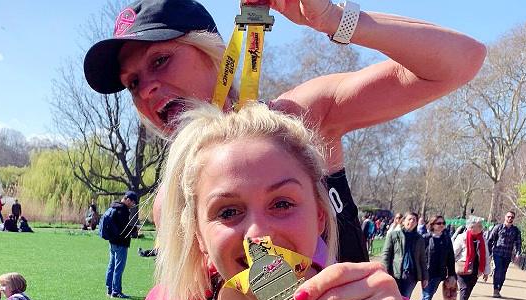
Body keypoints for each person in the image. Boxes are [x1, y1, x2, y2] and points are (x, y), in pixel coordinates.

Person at [83, 0, 486, 264]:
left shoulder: (300, 120)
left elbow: (461, 60)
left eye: (160, 60)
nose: (146, 88)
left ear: (212, 54)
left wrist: (333, 18)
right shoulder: (168, 205)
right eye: (132, 82)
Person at [137, 104, 461, 300]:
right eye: (229, 211)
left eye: (282, 204)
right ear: (199, 237)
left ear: (320, 216)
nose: (257, 234)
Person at [381, 212, 428, 298]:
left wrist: (425, 277)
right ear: (403, 221)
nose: (412, 221)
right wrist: (385, 272)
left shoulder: (419, 238)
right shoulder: (393, 235)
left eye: (414, 220)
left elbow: (422, 259)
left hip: (411, 275)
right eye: (409, 219)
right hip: (396, 273)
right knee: (392, 298)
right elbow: (386, 255)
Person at [453, 217, 490, 300]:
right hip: (463, 267)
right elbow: (454, 253)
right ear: (471, 227)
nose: (481, 228)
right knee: (464, 288)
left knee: (469, 289)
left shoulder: (482, 239)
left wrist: (486, 272)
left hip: (476, 268)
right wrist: (450, 267)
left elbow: (486, 256)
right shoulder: (462, 237)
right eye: (479, 226)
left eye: (481, 226)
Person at [418, 215, 456, 300]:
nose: (441, 225)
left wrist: (452, 274)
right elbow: (419, 256)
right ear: (432, 225)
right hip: (426, 273)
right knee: (427, 297)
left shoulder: (446, 239)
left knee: (428, 296)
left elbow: (450, 258)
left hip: (439, 273)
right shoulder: (425, 238)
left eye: (443, 223)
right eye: (438, 223)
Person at [104, 192, 138, 298]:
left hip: (113, 242)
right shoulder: (122, 210)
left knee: (111, 266)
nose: (133, 205)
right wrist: (135, 229)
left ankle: (109, 289)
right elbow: (124, 229)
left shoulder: (114, 207)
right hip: (121, 243)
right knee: (118, 268)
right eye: (133, 202)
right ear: (127, 199)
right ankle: (116, 291)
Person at [487, 210, 522, 298]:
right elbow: (490, 240)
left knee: (503, 272)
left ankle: (499, 289)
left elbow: (518, 243)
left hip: (508, 254)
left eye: (512, 217)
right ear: (505, 217)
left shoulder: (516, 230)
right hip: (497, 252)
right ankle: (495, 289)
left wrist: (518, 254)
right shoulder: (498, 227)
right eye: (508, 216)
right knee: (498, 269)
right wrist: (489, 252)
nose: (510, 218)